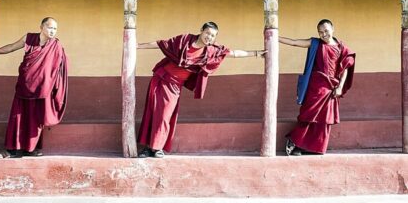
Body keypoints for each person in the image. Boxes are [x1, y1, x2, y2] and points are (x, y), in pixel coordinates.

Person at [137, 21, 265, 158]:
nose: (209, 37)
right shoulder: (185, 40)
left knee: (165, 115)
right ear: (201, 31)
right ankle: (147, 148)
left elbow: (233, 53)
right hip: (160, 78)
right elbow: (161, 43)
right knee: (152, 113)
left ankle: (157, 147)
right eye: (207, 33)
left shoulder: (211, 51)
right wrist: (137, 46)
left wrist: (257, 53)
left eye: (213, 35)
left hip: (175, 86)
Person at [0, 17, 68, 159]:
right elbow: (11, 47)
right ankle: (11, 150)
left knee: (35, 119)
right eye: (50, 27)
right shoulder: (29, 38)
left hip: (42, 89)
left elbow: (60, 68)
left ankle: (31, 149)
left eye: (55, 29)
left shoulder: (56, 45)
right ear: (41, 27)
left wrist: (54, 86)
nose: (53, 31)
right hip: (25, 85)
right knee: (17, 116)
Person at [279, 19, 355, 156]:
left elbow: (346, 69)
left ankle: (315, 148)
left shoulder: (342, 48)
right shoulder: (315, 43)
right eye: (320, 32)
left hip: (331, 87)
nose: (324, 34)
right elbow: (295, 42)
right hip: (316, 86)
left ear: (333, 29)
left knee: (325, 119)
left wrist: (340, 87)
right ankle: (296, 142)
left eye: (326, 31)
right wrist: (274, 37)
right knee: (308, 115)